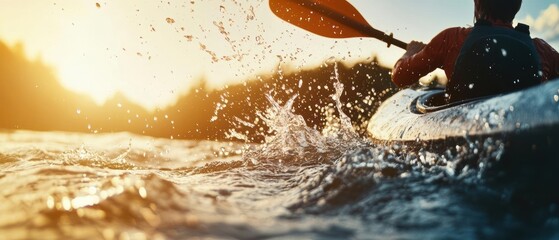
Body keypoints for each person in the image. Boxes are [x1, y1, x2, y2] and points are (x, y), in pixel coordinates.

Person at [391, 0, 559, 102]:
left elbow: (400, 76)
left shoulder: (451, 39)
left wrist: (410, 52)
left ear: (478, 2)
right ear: (517, 5)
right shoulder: (542, 50)